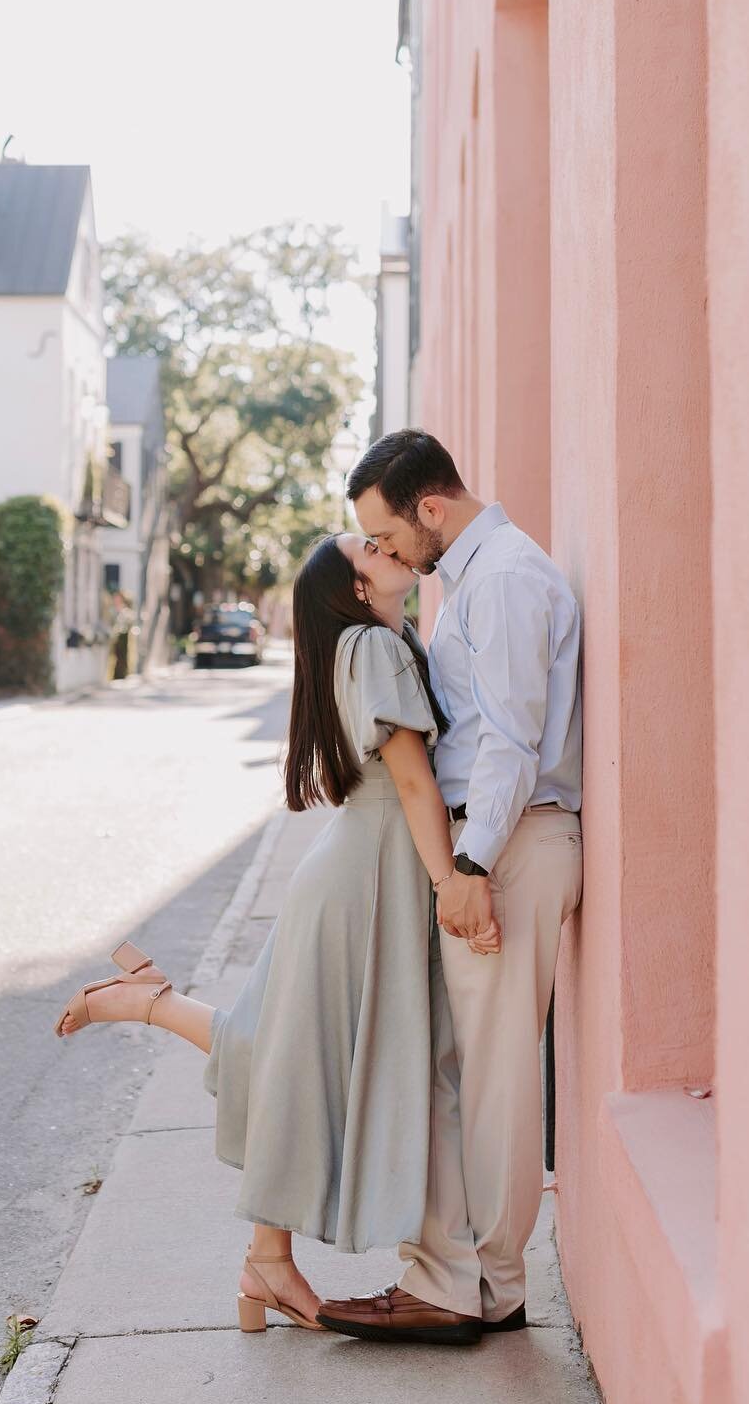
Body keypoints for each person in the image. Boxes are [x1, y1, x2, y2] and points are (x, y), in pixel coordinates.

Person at [54, 530, 493, 1339]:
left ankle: (151, 1010)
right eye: (366, 545)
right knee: (299, 1061)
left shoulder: (381, 643)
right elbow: (410, 781)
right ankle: (151, 1012)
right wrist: (451, 883)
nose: (383, 542)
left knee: (290, 1055)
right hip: (370, 876)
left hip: (360, 869)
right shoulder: (375, 646)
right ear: (357, 588)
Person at [317, 429, 583, 1344]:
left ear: (432, 510)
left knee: (497, 1072)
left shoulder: (502, 579)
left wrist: (470, 867)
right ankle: (470, 1280)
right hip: (497, 844)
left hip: (505, 847)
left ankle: (486, 1287)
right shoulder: (475, 580)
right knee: (471, 1069)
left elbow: (511, 739)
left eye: (387, 537)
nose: (385, 556)